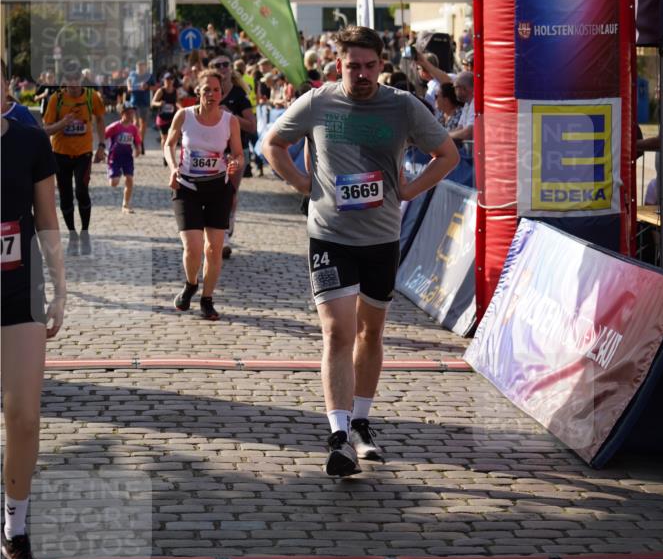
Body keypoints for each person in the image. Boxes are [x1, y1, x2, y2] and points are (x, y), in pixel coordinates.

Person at [263, 25, 459, 477]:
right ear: (339, 65)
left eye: (371, 66)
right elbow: (274, 142)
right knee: (337, 332)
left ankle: (362, 423)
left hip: (382, 238)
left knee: (371, 333)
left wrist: (409, 190)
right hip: (330, 235)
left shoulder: (403, 106)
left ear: (381, 66)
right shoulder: (319, 101)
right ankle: (338, 435)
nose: (363, 74)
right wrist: (302, 184)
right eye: (354, 66)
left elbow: (447, 155)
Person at [1, 115, 66, 559]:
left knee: (23, 417)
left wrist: (60, 288)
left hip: (19, 293)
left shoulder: (29, 141)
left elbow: (46, 217)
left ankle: (15, 532)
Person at [165, 70, 244, 321]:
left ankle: (207, 299)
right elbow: (169, 144)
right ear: (198, 92)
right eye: (206, 89)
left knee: (214, 249)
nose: (211, 94)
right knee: (193, 248)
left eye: (216, 90)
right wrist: (173, 167)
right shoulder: (184, 116)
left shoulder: (229, 121)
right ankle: (191, 283)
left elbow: (239, 154)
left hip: (218, 189)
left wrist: (234, 163)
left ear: (222, 94)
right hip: (187, 187)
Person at [42, 71, 106, 254]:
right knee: (65, 196)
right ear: (64, 81)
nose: (73, 84)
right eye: (69, 80)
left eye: (76, 80)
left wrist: (101, 145)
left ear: (81, 80)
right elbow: (46, 130)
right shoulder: (56, 99)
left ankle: (85, 232)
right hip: (60, 154)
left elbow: (101, 119)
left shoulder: (91, 97)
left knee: (81, 190)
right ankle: (72, 234)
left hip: (83, 154)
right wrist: (62, 124)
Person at [208, 55, 256, 259]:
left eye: (225, 64)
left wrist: (231, 116)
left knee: (230, 193)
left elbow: (252, 127)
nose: (222, 68)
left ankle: (226, 229)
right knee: (214, 193)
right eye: (217, 65)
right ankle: (220, 234)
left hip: (237, 151)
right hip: (213, 151)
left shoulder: (239, 95)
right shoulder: (209, 94)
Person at [105, 103, 142, 213]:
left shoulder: (133, 128)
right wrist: (102, 149)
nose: (131, 115)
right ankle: (112, 172)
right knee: (114, 183)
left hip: (127, 157)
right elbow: (103, 136)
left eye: (132, 113)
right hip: (114, 157)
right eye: (128, 113)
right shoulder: (114, 127)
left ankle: (125, 205)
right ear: (122, 113)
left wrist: (138, 148)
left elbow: (137, 141)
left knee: (129, 179)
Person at [151, 72, 180, 164]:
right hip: (162, 118)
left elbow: (177, 102)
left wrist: (181, 108)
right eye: (167, 79)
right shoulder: (161, 91)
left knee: (172, 138)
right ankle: (165, 155)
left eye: (170, 79)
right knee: (164, 138)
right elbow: (153, 103)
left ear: (173, 81)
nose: (169, 81)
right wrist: (159, 103)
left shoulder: (175, 91)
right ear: (164, 81)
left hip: (172, 118)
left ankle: (171, 156)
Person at [125, 59, 153, 153]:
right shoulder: (133, 74)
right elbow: (128, 80)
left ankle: (140, 141)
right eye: (138, 68)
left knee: (143, 125)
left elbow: (156, 86)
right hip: (134, 102)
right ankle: (136, 142)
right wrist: (129, 87)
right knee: (135, 122)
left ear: (145, 68)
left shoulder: (148, 76)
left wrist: (147, 87)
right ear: (136, 68)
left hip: (145, 102)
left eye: (142, 67)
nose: (140, 69)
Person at [448, 71, 475, 143]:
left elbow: (468, 133)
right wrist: (443, 136)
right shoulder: (467, 104)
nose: (454, 91)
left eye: (455, 87)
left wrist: (444, 137)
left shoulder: (475, 103)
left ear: (463, 89)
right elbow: (460, 128)